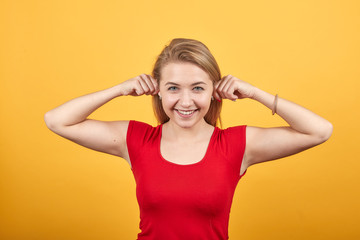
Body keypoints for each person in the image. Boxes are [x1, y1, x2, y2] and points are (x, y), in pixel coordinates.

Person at [44, 38, 333, 240]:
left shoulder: (236, 145)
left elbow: (319, 130)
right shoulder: (136, 140)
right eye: (173, 88)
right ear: (157, 90)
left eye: (197, 88)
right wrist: (118, 89)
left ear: (213, 91)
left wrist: (255, 92)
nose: (185, 101)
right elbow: (57, 120)